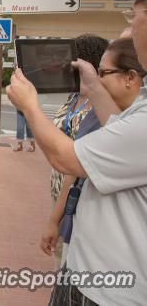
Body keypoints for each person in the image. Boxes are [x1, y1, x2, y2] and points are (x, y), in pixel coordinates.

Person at [7, 0, 147, 305]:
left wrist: (30, 106)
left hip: (109, 292)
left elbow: (66, 159)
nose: (129, 28)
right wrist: (94, 84)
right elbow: (119, 133)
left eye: (134, 14)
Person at [40, 37, 145, 269]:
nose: (97, 78)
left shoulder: (118, 118)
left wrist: (29, 105)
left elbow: (70, 163)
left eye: (103, 72)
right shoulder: (78, 98)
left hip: (79, 210)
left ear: (130, 77)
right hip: (67, 202)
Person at [45, 34, 109, 268]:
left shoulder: (98, 106)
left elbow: (77, 165)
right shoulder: (74, 97)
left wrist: (54, 220)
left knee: (67, 265)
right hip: (59, 190)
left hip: (76, 198)